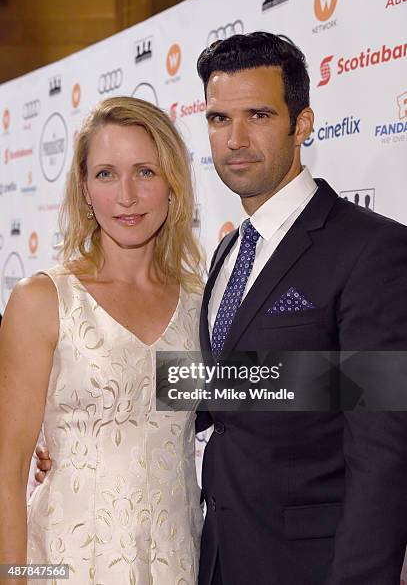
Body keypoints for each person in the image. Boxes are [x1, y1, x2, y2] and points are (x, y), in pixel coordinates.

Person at [194, 32, 407, 584]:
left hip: (312, 566)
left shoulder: (371, 249)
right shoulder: (227, 252)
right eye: (219, 119)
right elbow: (228, 393)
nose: (235, 139)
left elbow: (383, 448)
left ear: (303, 123)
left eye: (258, 114)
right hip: (218, 556)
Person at [0, 96, 204, 585]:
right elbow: (8, 464)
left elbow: (260, 393)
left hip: (177, 562)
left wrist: (383, 379)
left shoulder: (204, 303)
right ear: (85, 190)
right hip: (65, 563)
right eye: (107, 174)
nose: (127, 196)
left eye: (145, 172)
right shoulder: (43, 299)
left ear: (172, 183)